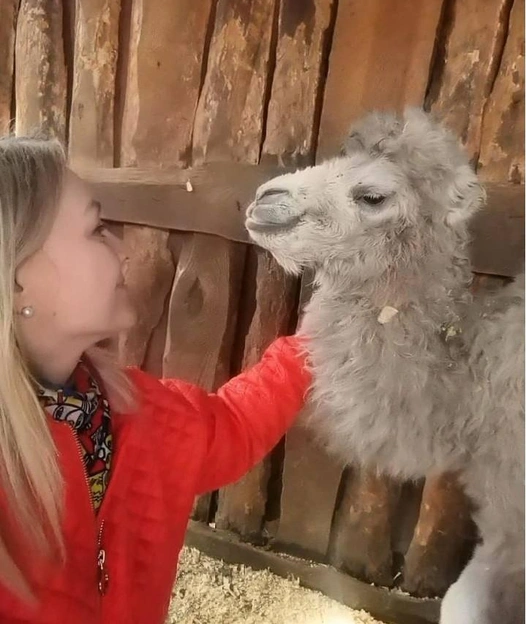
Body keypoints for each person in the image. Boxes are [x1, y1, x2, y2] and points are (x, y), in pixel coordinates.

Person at [0, 136, 310, 623]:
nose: (123, 249)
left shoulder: (128, 410)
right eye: (97, 229)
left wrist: (318, 340)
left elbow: (232, 425)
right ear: (18, 277)